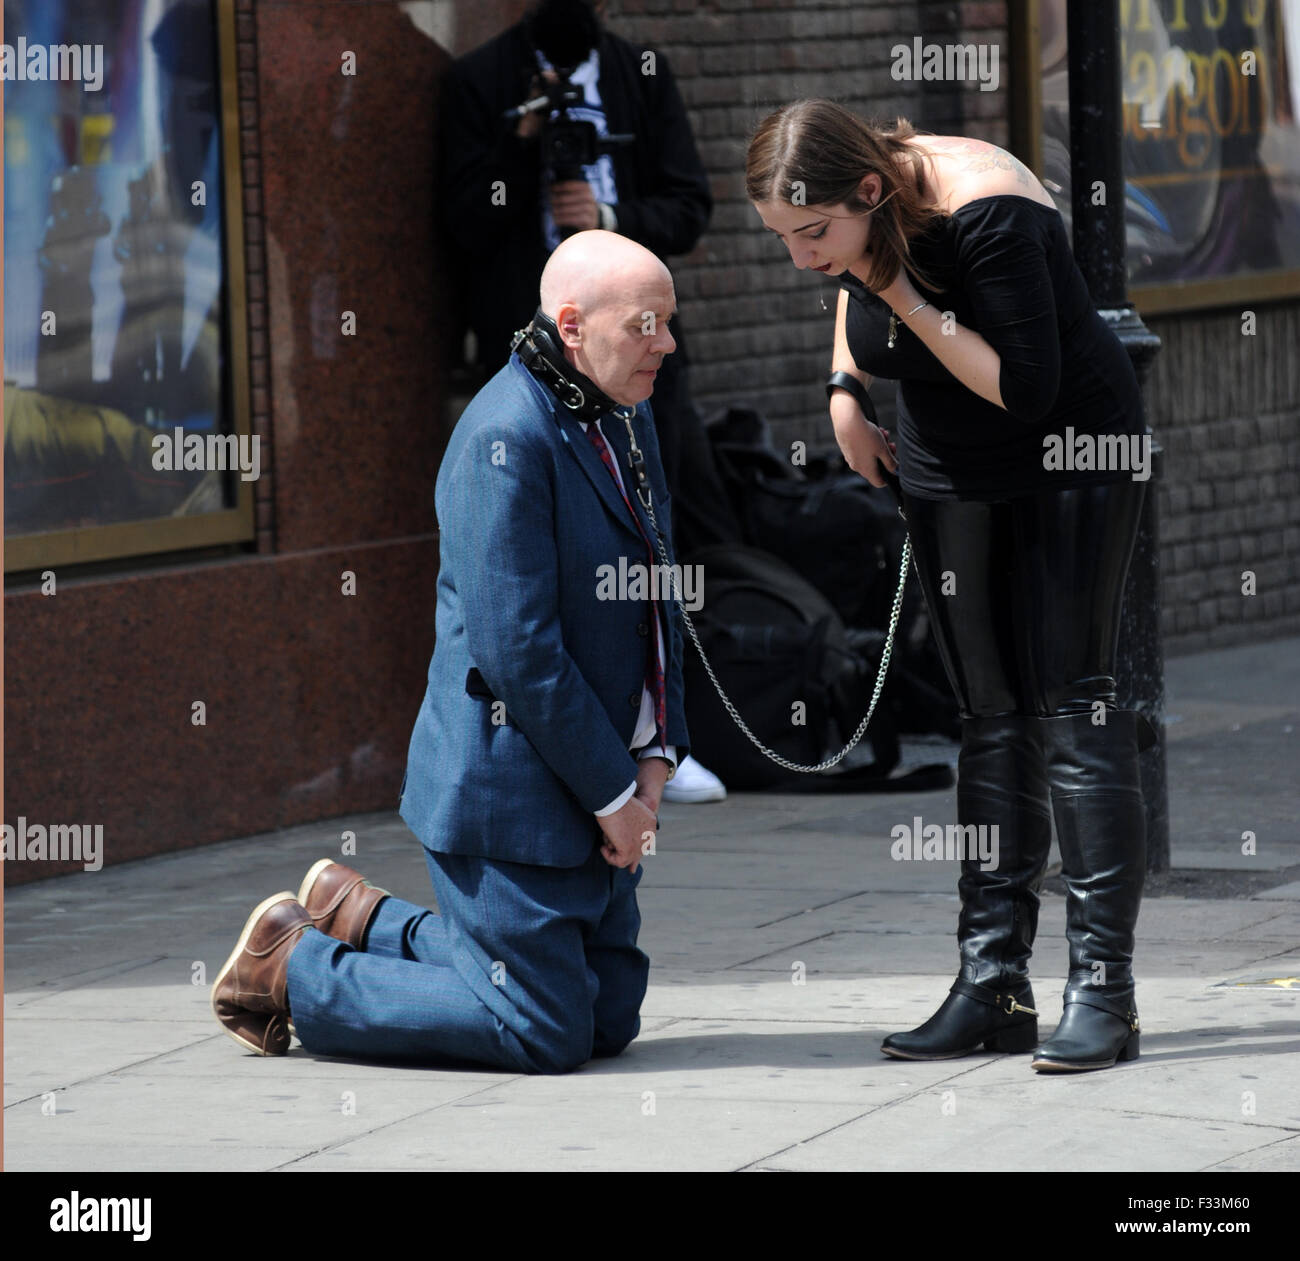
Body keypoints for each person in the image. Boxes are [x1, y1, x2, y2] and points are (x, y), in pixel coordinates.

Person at [211, 230, 689, 1073]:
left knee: (607, 1017)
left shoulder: (625, 410)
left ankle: (361, 916)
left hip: (599, 773)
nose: (668, 344)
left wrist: (656, 755)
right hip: (509, 793)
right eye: (647, 325)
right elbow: (520, 654)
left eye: (668, 323)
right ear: (571, 325)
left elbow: (657, 601)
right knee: (543, 1029)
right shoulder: (502, 439)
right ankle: (294, 963)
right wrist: (615, 795)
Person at [747, 99, 1156, 1072]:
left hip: (1067, 454)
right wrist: (844, 386)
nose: (804, 258)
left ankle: (1103, 988)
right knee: (990, 714)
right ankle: (991, 981)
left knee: (1072, 706)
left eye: (815, 233)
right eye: (784, 238)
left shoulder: (991, 211)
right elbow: (853, 283)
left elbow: (1022, 386)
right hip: (946, 468)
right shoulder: (858, 229)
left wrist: (900, 294)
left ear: (872, 190)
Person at [438, 0, 728, 803]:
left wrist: (603, 218)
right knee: (546, 560)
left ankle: (661, 731)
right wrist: (517, 144)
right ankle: (582, 743)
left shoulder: (641, 74)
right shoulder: (482, 81)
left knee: (652, 538)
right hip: (536, 350)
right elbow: (460, 216)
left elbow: (690, 203)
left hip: (622, 350)